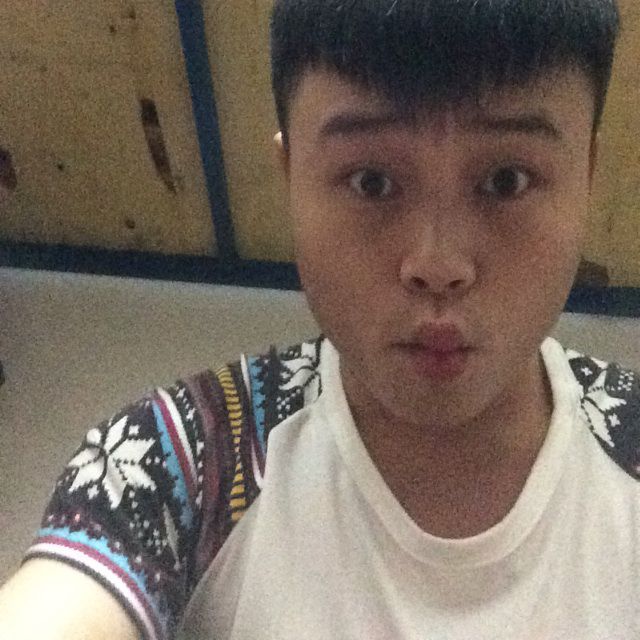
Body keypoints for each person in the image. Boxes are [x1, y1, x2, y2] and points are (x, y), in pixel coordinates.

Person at [0, 0, 632, 638]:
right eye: (371, 182)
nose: (438, 264)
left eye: (506, 180)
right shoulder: (182, 455)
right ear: (291, 177)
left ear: (586, 175)